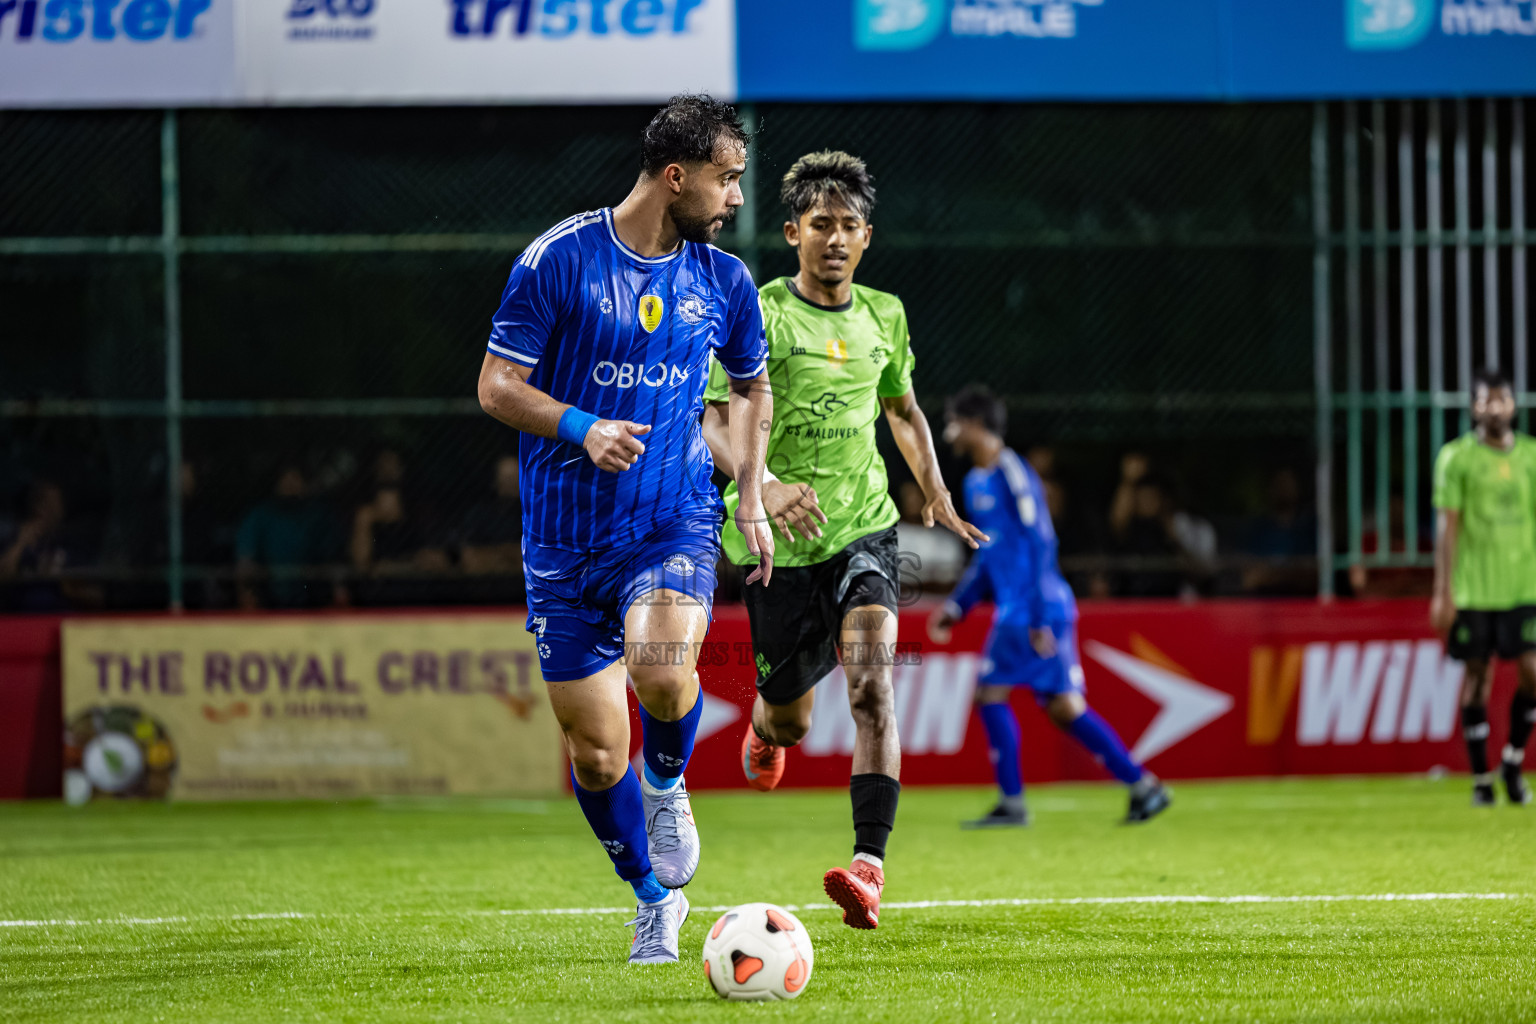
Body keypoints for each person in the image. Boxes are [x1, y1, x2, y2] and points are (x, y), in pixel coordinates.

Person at [476, 95, 775, 965]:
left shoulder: (722, 281)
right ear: (676, 176)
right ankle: (653, 900)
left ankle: (671, 781)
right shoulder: (558, 261)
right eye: (727, 180)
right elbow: (496, 386)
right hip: (564, 546)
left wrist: (749, 491)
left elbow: (752, 388)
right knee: (598, 754)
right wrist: (580, 427)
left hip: (672, 521)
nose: (736, 200)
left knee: (662, 670)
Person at [702, 150, 985, 931]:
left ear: (867, 237)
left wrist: (934, 490)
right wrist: (757, 485)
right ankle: (766, 730)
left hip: (863, 526)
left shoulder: (884, 314)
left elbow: (902, 408)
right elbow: (712, 415)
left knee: (871, 685)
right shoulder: (756, 311)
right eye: (820, 224)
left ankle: (869, 867)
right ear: (792, 231)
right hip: (773, 549)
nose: (834, 238)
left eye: (849, 226)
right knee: (788, 716)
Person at [928, 385, 1171, 827]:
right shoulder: (975, 480)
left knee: (990, 693)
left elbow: (1042, 540)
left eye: (955, 422)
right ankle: (1143, 786)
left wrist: (1039, 616)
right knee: (1064, 708)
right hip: (1025, 609)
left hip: (1032, 610)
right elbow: (989, 554)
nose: (950, 432)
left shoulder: (1011, 471)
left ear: (976, 425)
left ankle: (1013, 804)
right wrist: (959, 606)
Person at [1430, 368, 1536, 807]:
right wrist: (1443, 592)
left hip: (1523, 588)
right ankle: (1480, 779)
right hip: (1474, 590)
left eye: (1502, 399)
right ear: (1473, 407)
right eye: (1486, 400)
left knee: (1532, 675)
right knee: (1477, 678)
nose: (1495, 407)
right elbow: (1447, 528)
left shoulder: (1531, 455)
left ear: (1514, 404)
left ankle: (1512, 762)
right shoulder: (1457, 458)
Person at [234, 466, 343, 610]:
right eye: (285, 479)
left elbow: (331, 558)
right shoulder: (260, 514)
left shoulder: (318, 515)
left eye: (295, 479)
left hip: (312, 595)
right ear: (276, 483)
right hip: (269, 596)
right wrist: (246, 592)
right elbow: (245, 558)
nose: (290, 485)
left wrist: (338, 587)